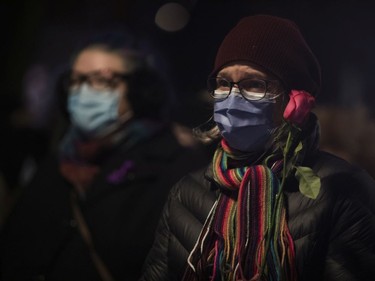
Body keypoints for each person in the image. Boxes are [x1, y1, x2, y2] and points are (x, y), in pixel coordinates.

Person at [140, 15, 375, 281]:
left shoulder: (341, 189)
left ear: (292, 102)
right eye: (223, 82)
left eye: (254, 84)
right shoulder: (186, 192)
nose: (232, 96)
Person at [0, 32, 209, 281]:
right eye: (76, 80)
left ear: (141, 91)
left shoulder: (175, 168)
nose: (83, 92)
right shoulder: (62, 158)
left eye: (101, 80)